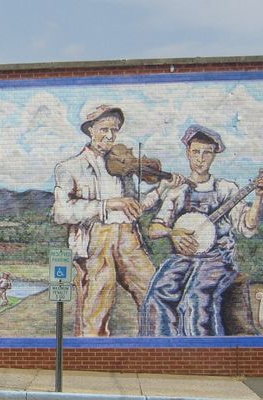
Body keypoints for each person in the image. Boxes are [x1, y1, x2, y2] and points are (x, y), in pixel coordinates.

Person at [53, 104, 184, 336]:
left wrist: (162, 188)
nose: (110, 135)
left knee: (154, 293)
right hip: (95, 240)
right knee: (96, 308)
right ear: (90, 130)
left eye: (115, 130)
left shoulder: (122, 166)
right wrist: (107, 204)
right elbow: (61, 212)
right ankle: (90, 359)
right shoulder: (69, 167)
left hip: (127, 237)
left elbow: (134, 207)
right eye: (104, 129)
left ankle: (155, 350)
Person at [139, 124, 263, 336]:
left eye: (207, 153)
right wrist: (172, 232)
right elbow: (154, 229)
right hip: (182, 259)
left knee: (195, 301)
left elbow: (247, 227)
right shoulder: (178, 190)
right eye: (196, 152)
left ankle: (204, 353)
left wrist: (258, 197)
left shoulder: (226, 188)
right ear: (188, 153)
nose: (200, 158)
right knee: (157, 294)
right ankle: (161, 350)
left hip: (217, 260)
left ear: (213, 157)